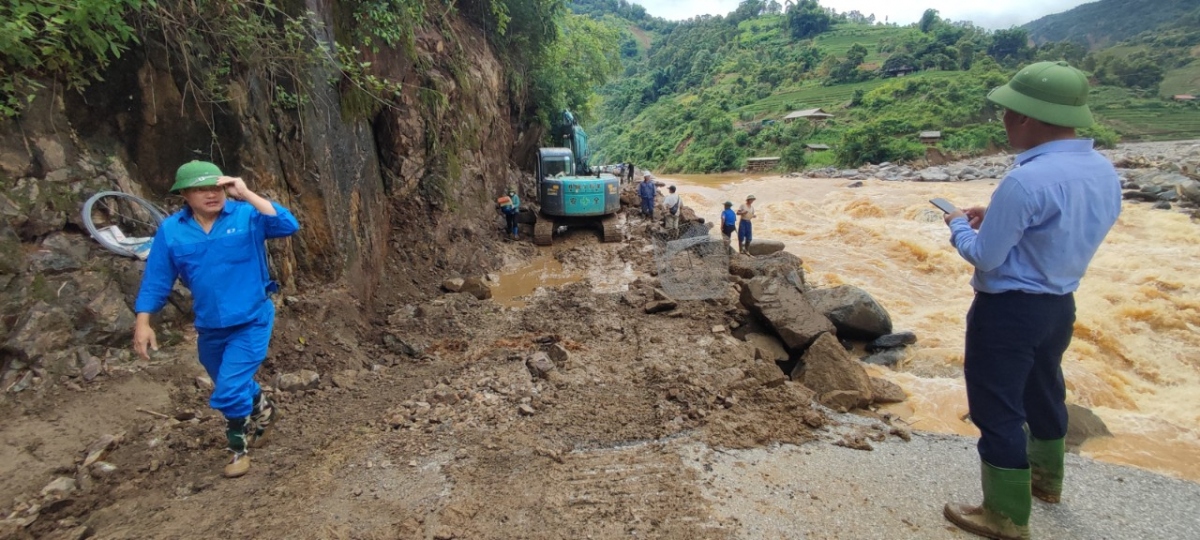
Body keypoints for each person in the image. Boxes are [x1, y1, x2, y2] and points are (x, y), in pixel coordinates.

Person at [940, 62, 1121, 540]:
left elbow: (986, 256)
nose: (1003, 122)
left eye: (1007, 113)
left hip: (1008, 311)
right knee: (1044, 391)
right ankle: (1047, 482)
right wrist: (997, 214)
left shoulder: (1025, 181)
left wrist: (959, 223)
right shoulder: (1102, 171)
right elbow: (1059, 229)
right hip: (1059, 305)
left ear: (1026, 118)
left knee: (995, 406)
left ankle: (1004, 514)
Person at [134, 160, 300, 479]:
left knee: (228, 388)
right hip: (210, 326)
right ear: (184, 194)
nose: (211, 194)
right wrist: (143, 321)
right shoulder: (172, 231)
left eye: (216, 187)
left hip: (251, 319)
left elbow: (287, 224)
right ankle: (264, 412)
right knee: (229, 381)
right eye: (201, 188)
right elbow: (157, 279)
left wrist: (246, 193)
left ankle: (238, 449)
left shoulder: (246, 215)